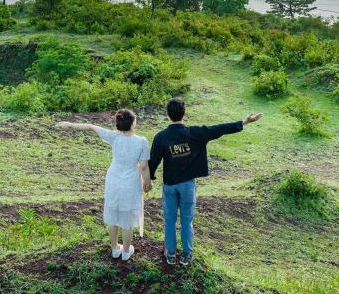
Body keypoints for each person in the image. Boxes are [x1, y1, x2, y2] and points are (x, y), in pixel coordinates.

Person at [149, 97, 263, 266]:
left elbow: (153, 161)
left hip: (170, 185)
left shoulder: (161, 137)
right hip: (188, 185)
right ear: (185, 114)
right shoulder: (195, 133)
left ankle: (170, 254)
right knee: (187, 221)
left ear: (168, 115)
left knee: (170, 220)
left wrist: (149, 177)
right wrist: (244, 122)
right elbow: (219, 129)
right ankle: (187, 255)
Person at [57, 109, 152, 261]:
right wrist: (147, 182)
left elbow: (91, 126)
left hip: (113, 180)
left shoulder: (114, 136)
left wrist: (70, 125)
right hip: (130, 182)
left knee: (113, 215)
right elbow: (143, 166)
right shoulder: (141, 141)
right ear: (133, 123)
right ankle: (126, 252)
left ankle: (115, 249)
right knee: (127, 218)